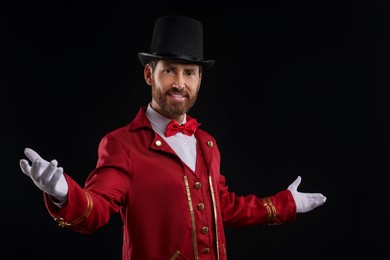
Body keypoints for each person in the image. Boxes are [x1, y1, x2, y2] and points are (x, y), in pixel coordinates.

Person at [19, 15, 327, 260]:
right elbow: (97, 208)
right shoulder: (121, 144)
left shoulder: (207, 143)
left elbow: (224, 207)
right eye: (170, 71)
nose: (179, 83)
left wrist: (286, 204)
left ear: (200, 79)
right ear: (149, 74)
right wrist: (63, 193)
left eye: (189, 72)